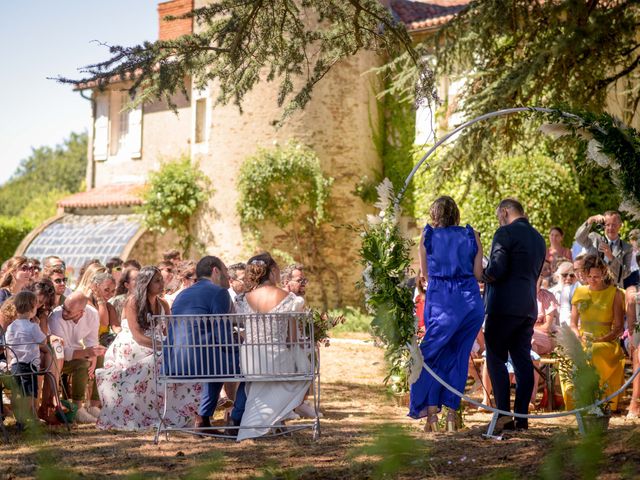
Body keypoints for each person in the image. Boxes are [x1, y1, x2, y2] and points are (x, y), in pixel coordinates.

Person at [408, 196, 484, 432]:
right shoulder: (472, 235)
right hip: (470, 302)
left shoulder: (428, 235)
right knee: (458, 356)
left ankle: (431, 415)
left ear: (435, 214)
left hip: (442, 300)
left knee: (430, 357)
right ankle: (451, 417)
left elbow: (426, 274)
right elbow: (478, 274)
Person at [95, 266, 201, 430]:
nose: (161, 283)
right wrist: (164, 347)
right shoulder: (132, 302)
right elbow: (137, 335)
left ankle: (181, 408)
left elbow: (169, 331)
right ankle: (148, 411)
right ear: (146, 283)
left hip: (157, 341)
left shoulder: (163, 304)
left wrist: (174, 345)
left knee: (182, 359)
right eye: (157, 281)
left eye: (161, 280)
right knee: (160, 360)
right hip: (133, 343)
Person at [483, 198, 546, 432]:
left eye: (500, 215)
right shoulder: (539, 239)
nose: (500, 219)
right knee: (521, 361)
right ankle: (521, 418)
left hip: (503, 306)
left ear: (506, 211)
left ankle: (502, 415)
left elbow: (497, 270)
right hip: (527, 307)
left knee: (496, 358)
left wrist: (481, 272)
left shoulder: (504, 233)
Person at [234, 253, 312, 441]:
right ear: (274, 271)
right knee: (304, 369)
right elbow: (292, 339)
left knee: (265, 381)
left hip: (250, 361)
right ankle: (270, 421)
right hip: (275, 360)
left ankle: (272, 422)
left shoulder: (243, 299)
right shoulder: (288, 298)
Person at [169, 256, 242, 432]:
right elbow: (222, 333)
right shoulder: (219, 292)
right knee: (251, 367)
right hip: (201, 359)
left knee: (218, 363)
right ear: (215, 271)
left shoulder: (183, 294)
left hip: (175, 359)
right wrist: (239, 343)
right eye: (225, 272)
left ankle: (203, 419)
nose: (227, 278)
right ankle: (237, 418)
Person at [561, 254, 625, 411]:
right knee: (564, 353)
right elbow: (573, 324)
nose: (592, 280)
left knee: (594, 351)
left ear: (604, 273)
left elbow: (618, 328)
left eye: (596, 276)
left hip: (607, 342)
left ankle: (595, 400)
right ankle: (574, 399)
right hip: (583, 339)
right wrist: (577, 336)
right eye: (589, 276)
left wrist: (599, 339)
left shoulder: (615, 293)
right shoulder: (580, 292)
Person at [45, 292, 105, 423]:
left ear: (81, 312)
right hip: (57, 359)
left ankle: (94, 405)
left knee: (101, 358)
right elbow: (61, 352)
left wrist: (93, 355)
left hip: (76, 353)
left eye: (69, 311)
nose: (64, 313)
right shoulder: (56, 316)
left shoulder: (92, 314)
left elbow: (92, 341)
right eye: (64, 308)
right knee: (83, 363)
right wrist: (87, 353)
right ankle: (78, 407)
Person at [4, 291, 47, 425]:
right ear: (33, 308)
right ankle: (27, 418)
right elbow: (43, 341)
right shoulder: (33, 327)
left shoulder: (11, 327)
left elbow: (7, 344)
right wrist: (38, 325)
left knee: (18, 392)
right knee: (29, 392)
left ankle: (19, 418)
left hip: (15, 364)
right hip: (29, 364)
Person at [549, 261, 579, 327]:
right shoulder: (550, 293)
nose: (568, 278)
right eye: (564, 275)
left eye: (572, 275)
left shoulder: (581, 292)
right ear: (557, 276)